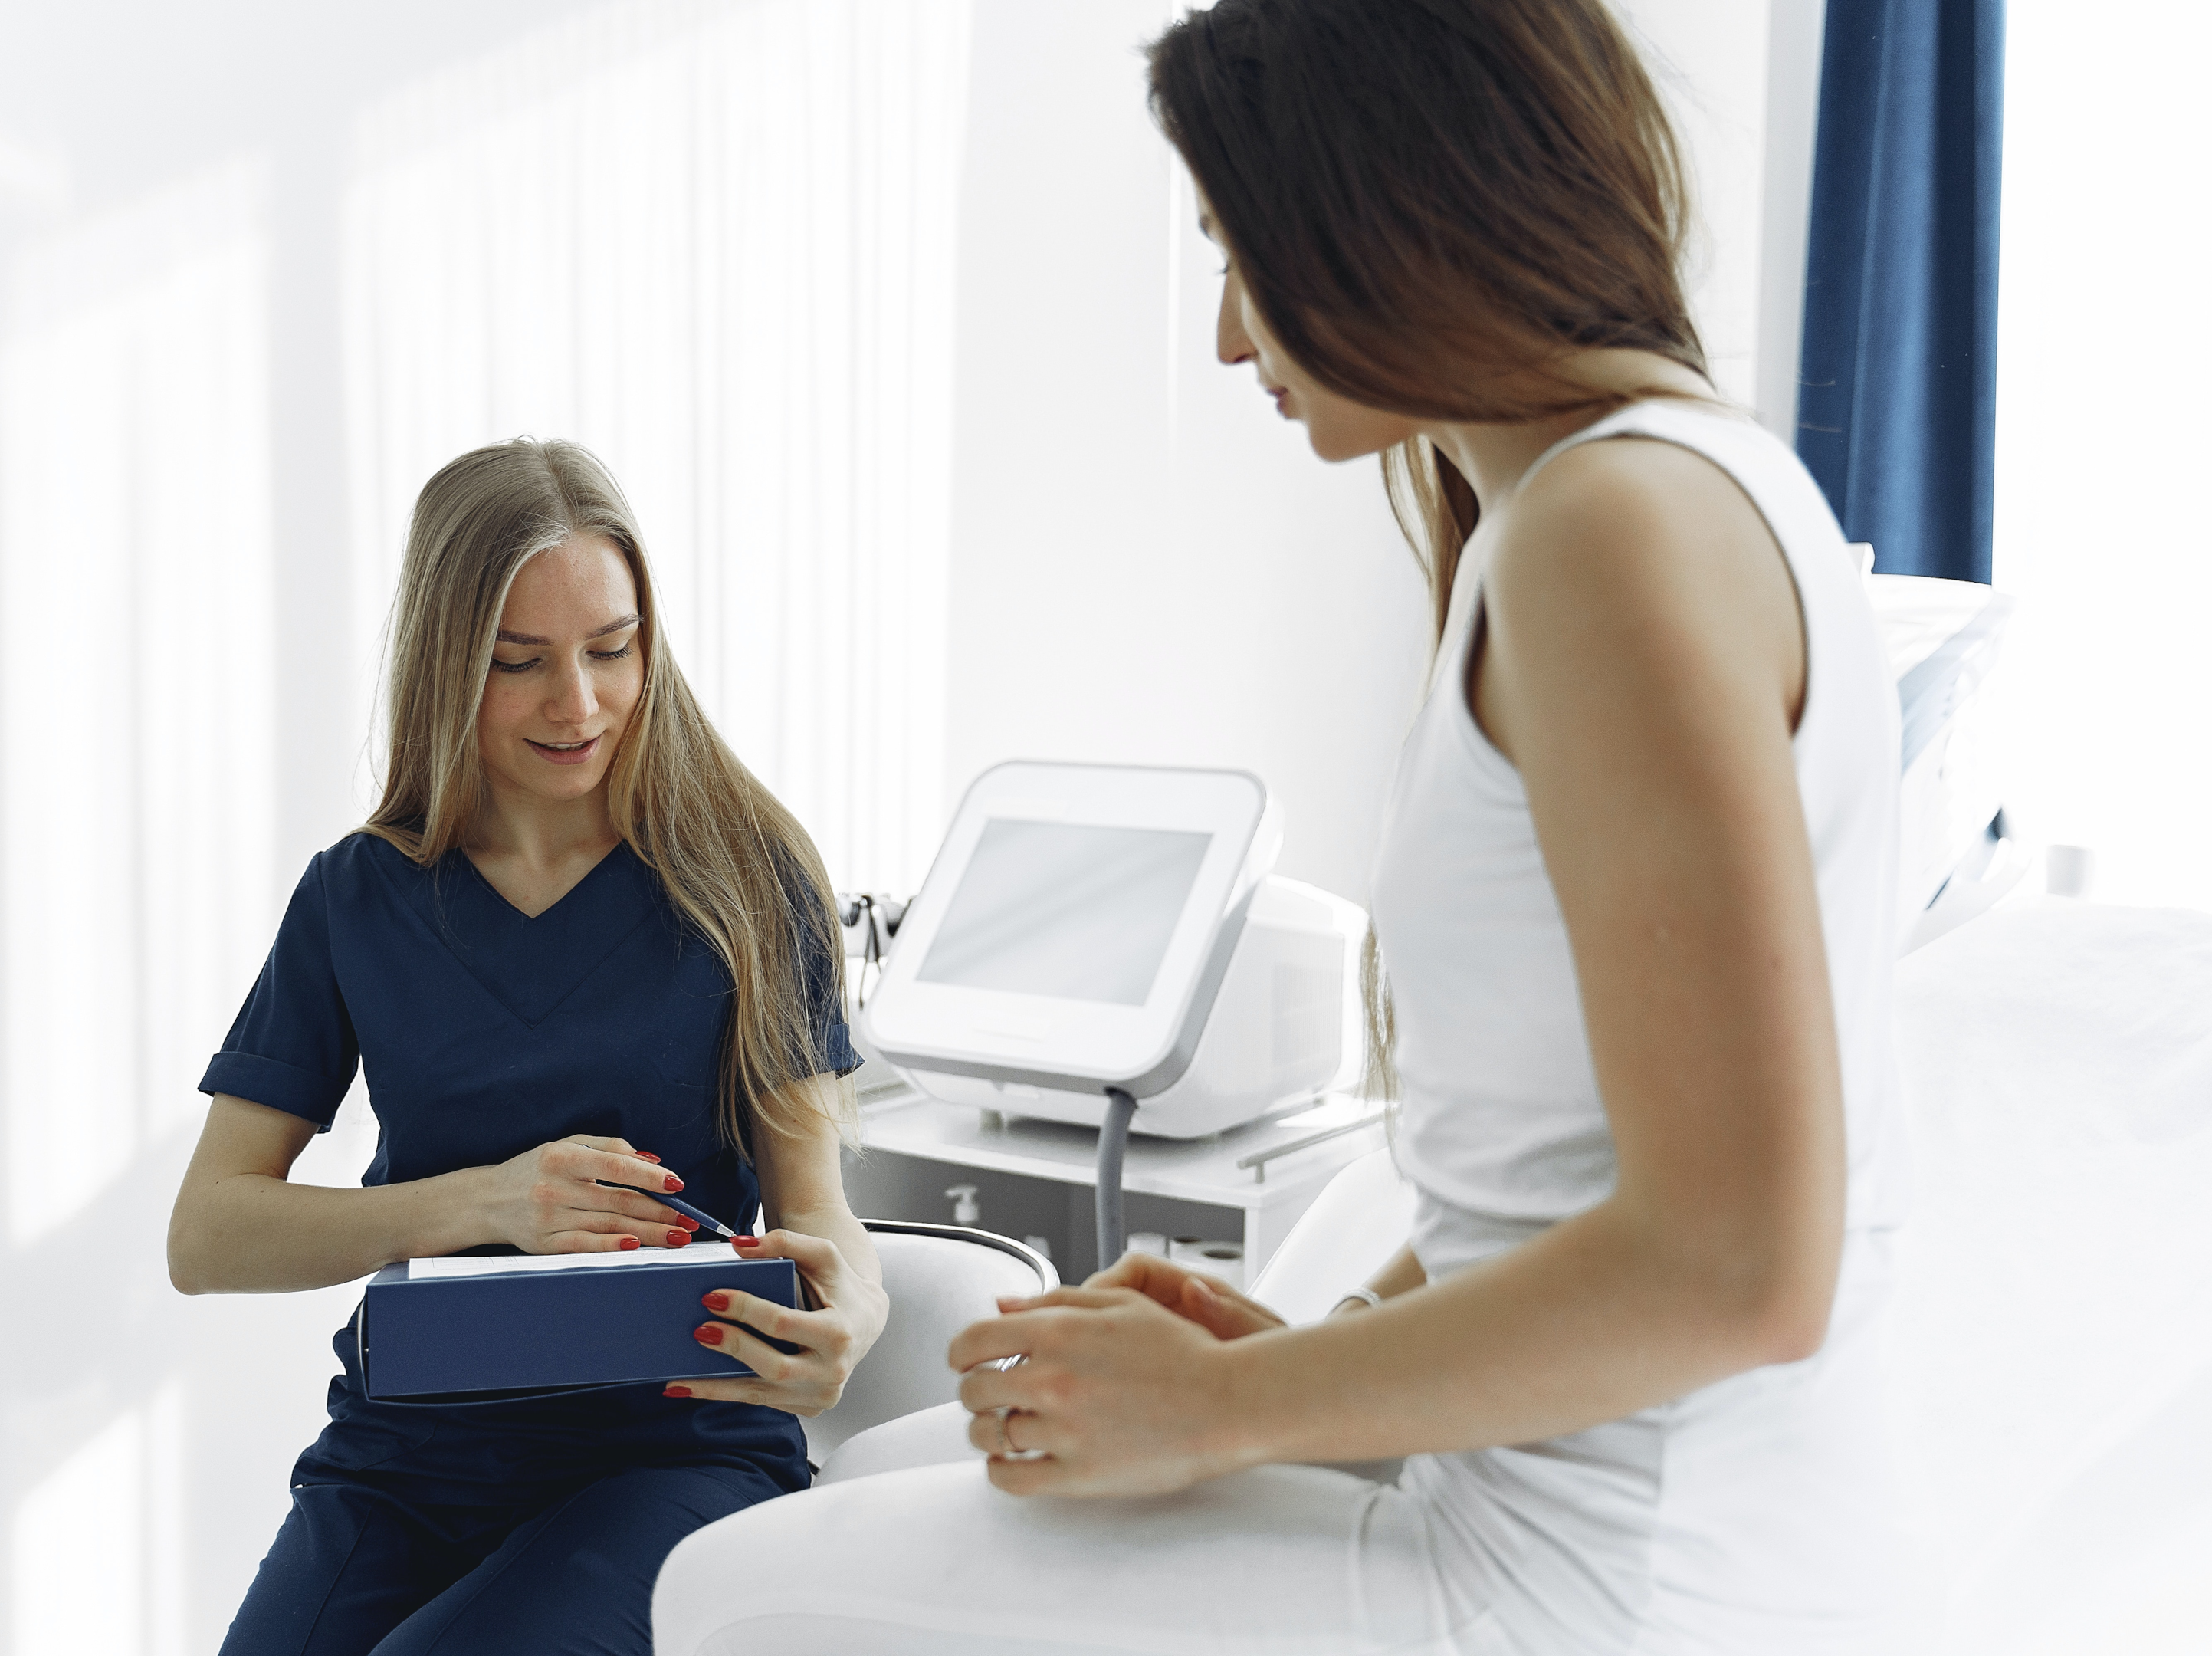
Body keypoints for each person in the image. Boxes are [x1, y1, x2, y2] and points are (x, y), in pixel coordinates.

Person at [652, 1, 1918, 1651]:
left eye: (1240, 257)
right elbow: (1550, 1178)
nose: (1236, 340)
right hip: (1557, 1513)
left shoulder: (1611, 533)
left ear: (1385, 207)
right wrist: (1272, 1358)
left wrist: (1224, 1411)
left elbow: (1744, 1264)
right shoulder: (1641, 498)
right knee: (894, 1459)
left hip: (1603, 1589)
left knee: (722, 1589)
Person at [168, 439, 887, 1655]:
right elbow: (208, 1233)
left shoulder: (749, 877)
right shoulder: (359, 896)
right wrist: (481, 1202)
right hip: (409, 1456)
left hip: (675, 1454)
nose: (581, 703)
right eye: (521, 663)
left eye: (613, 649)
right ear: (449, 665)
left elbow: (820, 1207)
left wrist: (853, 1317)